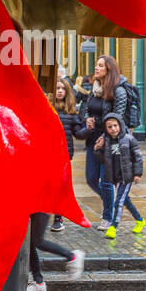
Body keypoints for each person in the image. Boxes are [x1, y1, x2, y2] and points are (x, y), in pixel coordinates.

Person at [78, 54, 136, 231]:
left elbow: (118, 118)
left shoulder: (118, 90)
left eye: (100, 66)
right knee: (91, 179)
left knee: (106, 181)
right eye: (96, 65)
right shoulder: (95, 88)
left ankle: (107, 217)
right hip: (92, 139)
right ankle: (115, 203)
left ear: (109, 69)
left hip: (110, 141)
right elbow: (86, 110)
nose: (96, 68)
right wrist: (87, 119)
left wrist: (105, 137)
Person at [98, 112, 142, 240]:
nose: (113, 129)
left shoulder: (129, 139)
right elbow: (102, 160)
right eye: (110, 127)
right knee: (125, 200)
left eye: (115, 126)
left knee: (119, 202)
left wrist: (137, 173)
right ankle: (139, 220)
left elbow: (138, 157)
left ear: (120, 125)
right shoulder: (106, 142)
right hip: (116, 177)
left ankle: (113, 227)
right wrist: (97, 149)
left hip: (127, 176)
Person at [50, 79, 84, 232]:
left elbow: (78, 134)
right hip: (47, 153)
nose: (60, 91)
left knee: (60, 187)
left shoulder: (71, 112)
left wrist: (89, 128)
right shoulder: (47, 108)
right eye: (57, 88)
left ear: (67, 92)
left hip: (64, 155)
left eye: (63, 89)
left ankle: (58, 218)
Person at [25, 212, 86, 291]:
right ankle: (38, 282)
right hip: (29, 203)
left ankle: (72, 256)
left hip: (41, 204)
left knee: (38, 241)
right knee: (30, 242)